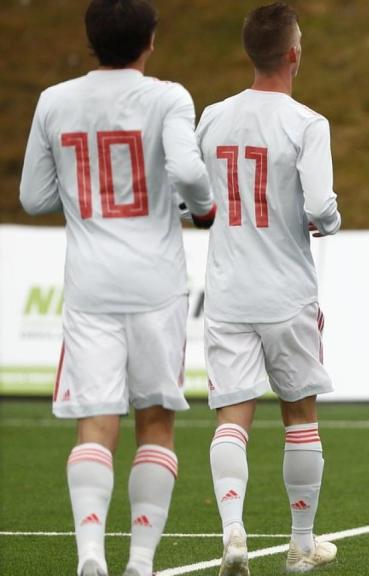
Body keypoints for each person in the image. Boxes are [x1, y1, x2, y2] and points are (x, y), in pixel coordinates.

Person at [18, 1, 216, 575]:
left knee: (95, 420)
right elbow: (187, 170)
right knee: (155, 419)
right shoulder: (168, 97)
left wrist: (85, 200)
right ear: (150, 40)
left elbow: (33, 196)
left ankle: (89, 557)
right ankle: (141, 562)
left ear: (90, 39)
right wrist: (201, 212)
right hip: (156, 284)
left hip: (90, 286)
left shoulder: (54, 100)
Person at [195, 2, 341, 574]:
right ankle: (301, 545)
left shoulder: (211, 116)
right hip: (286, 292)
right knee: (299, 417)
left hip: (228, 292)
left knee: (232, 417)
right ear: (294, 54)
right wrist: (326, 220)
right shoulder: (307, 123)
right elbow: (321, 209)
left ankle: (233, 532)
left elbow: (196, 201)